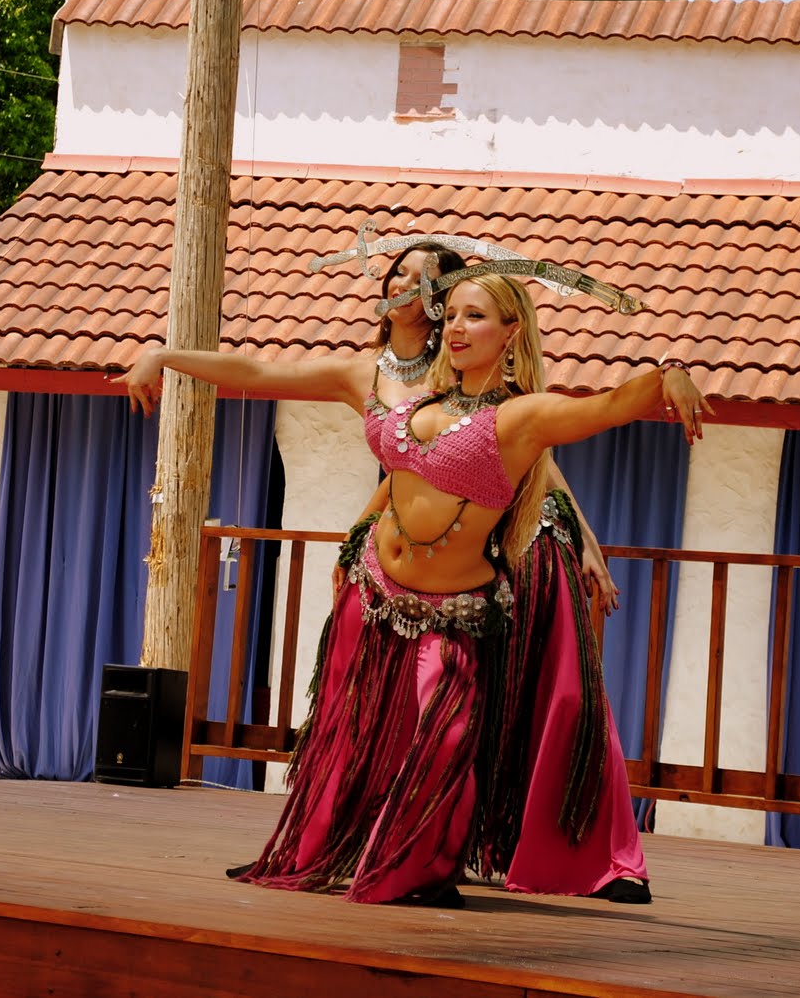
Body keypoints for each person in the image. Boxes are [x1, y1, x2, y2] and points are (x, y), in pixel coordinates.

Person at [121, 268, 711, 907]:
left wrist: (666, 374)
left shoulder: (521, 419)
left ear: (512, 333)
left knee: (448, 737)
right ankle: (311, 849)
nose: (456, 327)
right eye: (451, 313)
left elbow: (607, 406)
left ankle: (420, 871)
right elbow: (261, 374)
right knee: (346, 730)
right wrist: (165, 355)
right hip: (374, 591)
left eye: (476, 316)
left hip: (453, 611)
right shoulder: (399, 395)